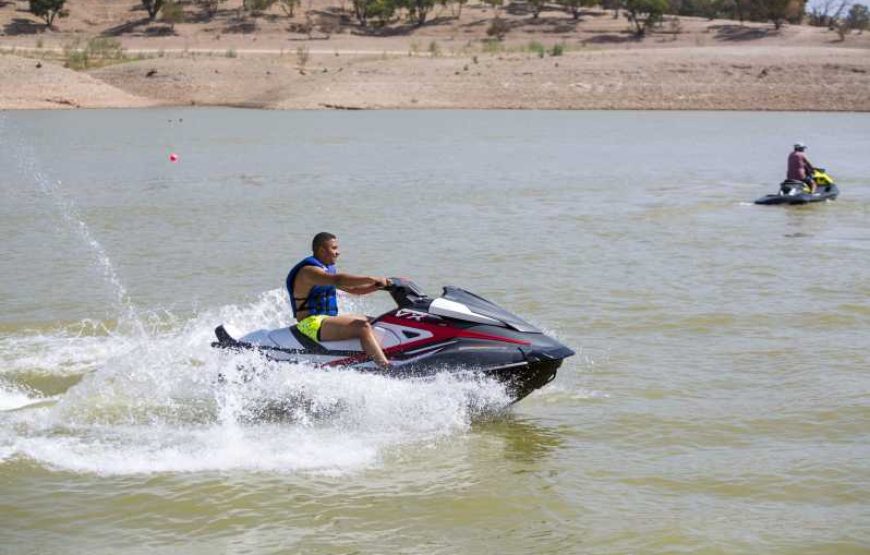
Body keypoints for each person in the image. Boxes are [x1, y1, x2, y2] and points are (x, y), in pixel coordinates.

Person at [286, 232, 392, 368]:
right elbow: (338, 280)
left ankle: (395, 355)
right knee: (363, 327)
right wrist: (372, 278)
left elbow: (355, 290)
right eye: (334, 248)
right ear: (321, 250)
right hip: (310, 324)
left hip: (325, 320)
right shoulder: (309, 272)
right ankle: (385, 368)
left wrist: (379, 286)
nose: (338, 252)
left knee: (378, 321)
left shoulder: (327, 270)